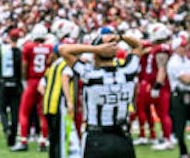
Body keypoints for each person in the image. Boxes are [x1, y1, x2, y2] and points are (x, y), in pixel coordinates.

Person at [60, 27, 144, 158]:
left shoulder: (90, 74)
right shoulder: (128, 71)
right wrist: (119, 37)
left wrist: (96, 49)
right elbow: (138, 45)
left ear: (95, 55)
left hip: (96, 138)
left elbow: (63, 50)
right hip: (123, 138)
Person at [39, 45, 72, 158]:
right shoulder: (66, 65)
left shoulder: (52, 66)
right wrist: (69, 101)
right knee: (60, 139)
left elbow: (41, 87)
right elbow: (65, 78)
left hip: (48, 104)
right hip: (59, 105)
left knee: (53, 138)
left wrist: (49, 94)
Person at [0, 31, 26, 149]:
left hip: (5, 82)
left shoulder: (3, 51)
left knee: (2, 109)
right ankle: (13, 135)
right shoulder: (20, 52)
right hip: (16, 84)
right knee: (15, 111)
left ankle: (6, 128)